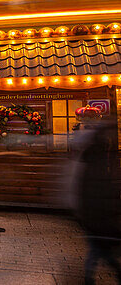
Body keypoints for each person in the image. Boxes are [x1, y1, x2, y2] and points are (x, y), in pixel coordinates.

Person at [72, 113, 121, 282]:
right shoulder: (98, 165)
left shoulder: (89, 164)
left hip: (94, 212)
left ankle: (89, 278)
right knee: (101, 250)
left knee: (98, 249)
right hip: (98, 213)